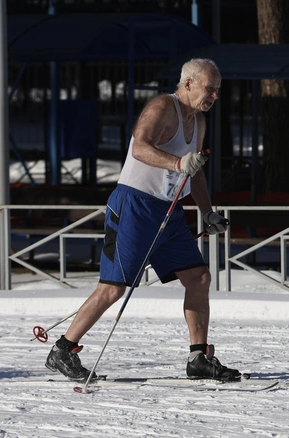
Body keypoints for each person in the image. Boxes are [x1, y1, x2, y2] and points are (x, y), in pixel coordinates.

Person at [45, 58, 241, 383]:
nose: (215, 96)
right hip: (134, 206)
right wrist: (178, 163)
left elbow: (195, 171)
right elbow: (140, 147)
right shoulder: (163, 106)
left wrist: (207, 211)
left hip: (169, 211)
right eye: (210, 88)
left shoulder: (200, 122)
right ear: (189, 83)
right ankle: (64, 348)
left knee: (198, 278)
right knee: (112, 288)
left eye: (218, 90)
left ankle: (198, 356)